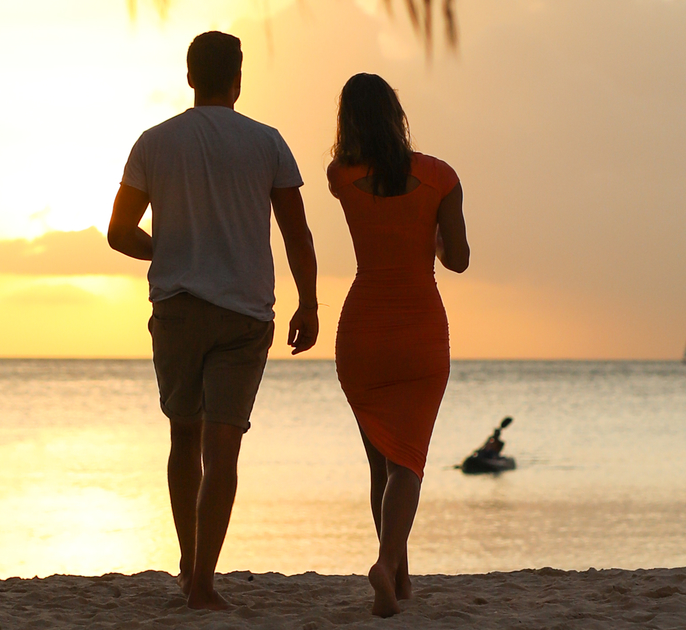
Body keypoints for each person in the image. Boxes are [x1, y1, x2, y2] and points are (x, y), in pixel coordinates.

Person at [106, 31, 321, 611]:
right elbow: (296, 233)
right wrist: (309, 301)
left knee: (184, 435)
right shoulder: (268, 143)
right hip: (245, 312)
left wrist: (170, 248)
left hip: (177, 308)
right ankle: (204, 579)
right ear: (238, 79)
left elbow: (119, 232)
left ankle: (186, 567)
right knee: (223, 446)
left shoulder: (154, 142)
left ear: (189, 76)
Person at [326, 72, 469, 617]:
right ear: (396, 113)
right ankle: (389, 566)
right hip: (420, 333)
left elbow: (371, 193)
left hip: (362, 333)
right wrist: (433, 237)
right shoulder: (441, 177)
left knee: (379, 463)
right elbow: (456, 259)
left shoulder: (340, 175)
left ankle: (400, 578)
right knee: (408, 458)